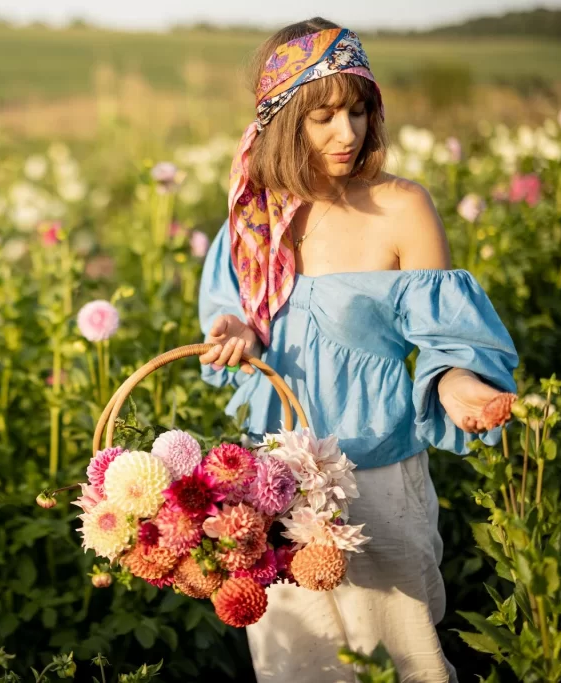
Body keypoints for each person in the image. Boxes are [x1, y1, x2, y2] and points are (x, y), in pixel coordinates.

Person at [196, 18, 519, 683]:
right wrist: (235, 334)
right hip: (275, 481)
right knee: (297, 662)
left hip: (376, 476)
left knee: (406, 659)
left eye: (359, 110)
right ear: (285, 124)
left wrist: (462, 389)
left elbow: (445, 341)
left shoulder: (401, 208)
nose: (348, 133)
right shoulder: (258, 216)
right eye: (323, 117)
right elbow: (245, 318)